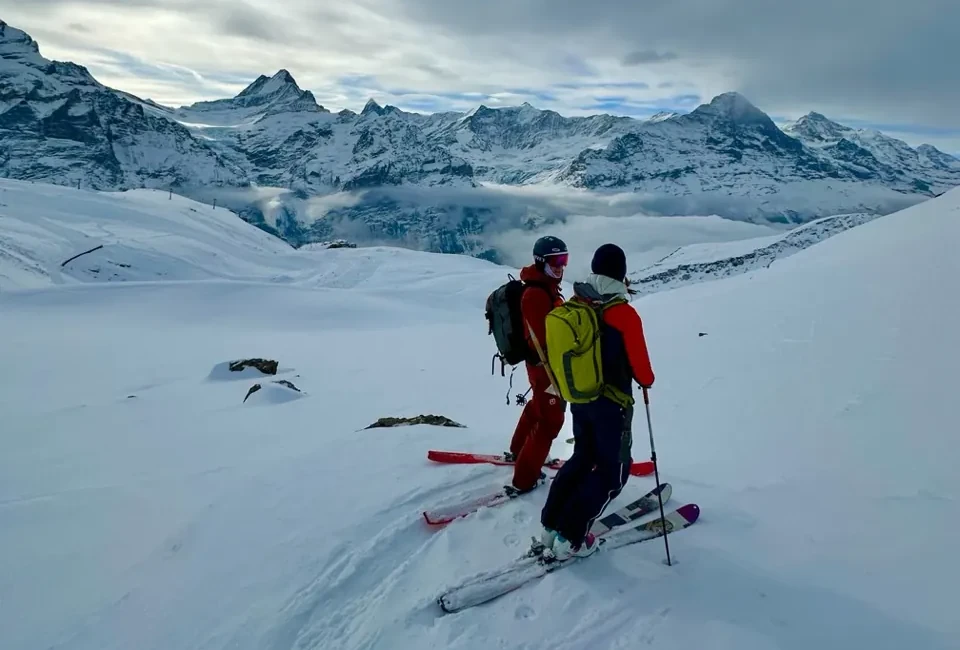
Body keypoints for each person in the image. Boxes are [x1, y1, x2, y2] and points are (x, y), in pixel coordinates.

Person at [539, 243, 655, 560]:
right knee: (612, 473)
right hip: (612, 407)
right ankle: (571, 538)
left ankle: (550, 527)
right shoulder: (624, 314)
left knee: (581, 459)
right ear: (621, 274)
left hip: (581, 398)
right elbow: (644, 373)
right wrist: (644, 381)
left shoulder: (581, 303)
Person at [506, 235, 569, 493]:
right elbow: (543, 340)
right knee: (550, 421)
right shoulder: (535, 294)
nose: (561, 266)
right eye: (555, 260)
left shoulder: (545, 287)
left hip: (541, 367)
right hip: (545, 368)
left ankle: (518, 450)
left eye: (564, 260)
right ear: (541, 261)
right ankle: (524, 479)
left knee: (538, 408)